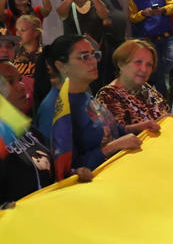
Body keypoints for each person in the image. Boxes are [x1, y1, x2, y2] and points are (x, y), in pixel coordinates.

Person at [0, 59, 68, 206]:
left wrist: (73, 176)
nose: (21, 86)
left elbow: (47, 177)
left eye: (19, 80)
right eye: (10, 82)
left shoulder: (30, 131)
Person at [35, 37, 140, 177]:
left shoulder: (83, 93)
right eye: (84, 57)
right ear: (61, 66)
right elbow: (66, 170)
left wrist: (139, 127)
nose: (93, 61)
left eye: (94, 55)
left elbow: (108, 128)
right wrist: (112, 147)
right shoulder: (55, 109)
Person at [91, 39, 173, 135]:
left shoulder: (146, 88)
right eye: (138, 62)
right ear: (121, 64)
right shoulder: (108, 95)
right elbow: (117, 136)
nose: (144, 69)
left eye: (149, 65)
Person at [129, 0, 173, 83]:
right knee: (156, 68)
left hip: (167, 33)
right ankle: (159, 85)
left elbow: (172, 6)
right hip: (149, 37)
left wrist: (163, 10)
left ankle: (153, 77)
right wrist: (143, 13)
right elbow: (132, 18)